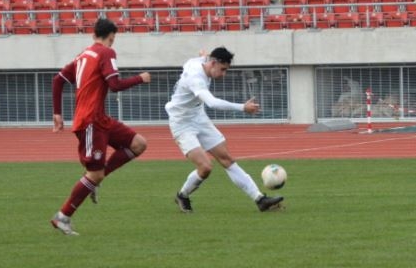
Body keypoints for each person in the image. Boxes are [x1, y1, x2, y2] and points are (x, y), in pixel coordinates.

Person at [48, 19, 152, 235]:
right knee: (93, 175)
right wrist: (140, 78)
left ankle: (96, 180)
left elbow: (57, 80)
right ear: (111, 36)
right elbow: (114, 85)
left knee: (139, 144)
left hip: (100, 119)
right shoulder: (106, 52)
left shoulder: (84, 55)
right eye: (114, 38)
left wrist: (57, 113)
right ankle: (63, 217)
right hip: (90, 122)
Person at [169, 47, 283, 213]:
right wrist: (242, 107)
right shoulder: (196, 77)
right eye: (223, 70)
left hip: (198, 117)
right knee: (205, 167)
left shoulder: (202, 62)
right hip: (181, 122)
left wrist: (203, 55)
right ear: (213, 63)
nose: (224, 74)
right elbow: (213, 103)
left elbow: (200, 58)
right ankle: (182, 195)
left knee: (226, 159)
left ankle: (260, 199)